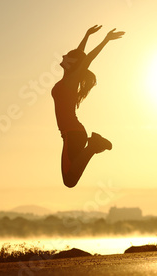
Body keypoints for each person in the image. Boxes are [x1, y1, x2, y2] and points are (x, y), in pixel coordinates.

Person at [52, 25, 125, 187]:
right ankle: (94, 145)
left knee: (69, 181)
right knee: (70, 180)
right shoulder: (68, 80)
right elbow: (80, 56)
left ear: (72, 63)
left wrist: (105, 40)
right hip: (71, 134)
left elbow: (86, 59)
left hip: (73, 134)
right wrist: (86, 35)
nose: (63, 56)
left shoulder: (70, 82)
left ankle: (93, 146)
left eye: (67, 56)